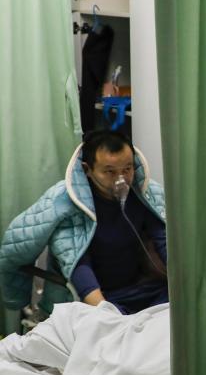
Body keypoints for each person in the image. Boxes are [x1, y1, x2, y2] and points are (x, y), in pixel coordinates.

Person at [0, 130, 167, 315]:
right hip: (92, 298)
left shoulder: (144, 193)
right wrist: (106, 312)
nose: (121, 179)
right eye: (110, 171)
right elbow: (78, 263)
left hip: (141, 289)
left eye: (127, 169)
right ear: (87, 170)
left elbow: (164, 238)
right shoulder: (67, 202)